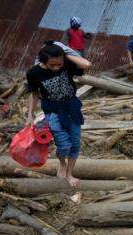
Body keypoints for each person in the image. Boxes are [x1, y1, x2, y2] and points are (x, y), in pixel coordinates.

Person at [26, 41, 91, 187]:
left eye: (59, 65)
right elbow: (34, 93)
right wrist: (30, 114)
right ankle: (62, 163)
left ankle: (69, 174)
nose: (56, 68)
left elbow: (86, 65)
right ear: (43, 61)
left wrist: (65, 54)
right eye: (52, 65)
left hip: (72, 108)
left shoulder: (66, 64)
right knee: (63, 146)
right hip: (53, 111)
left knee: (74, 145)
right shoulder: (34, 73)